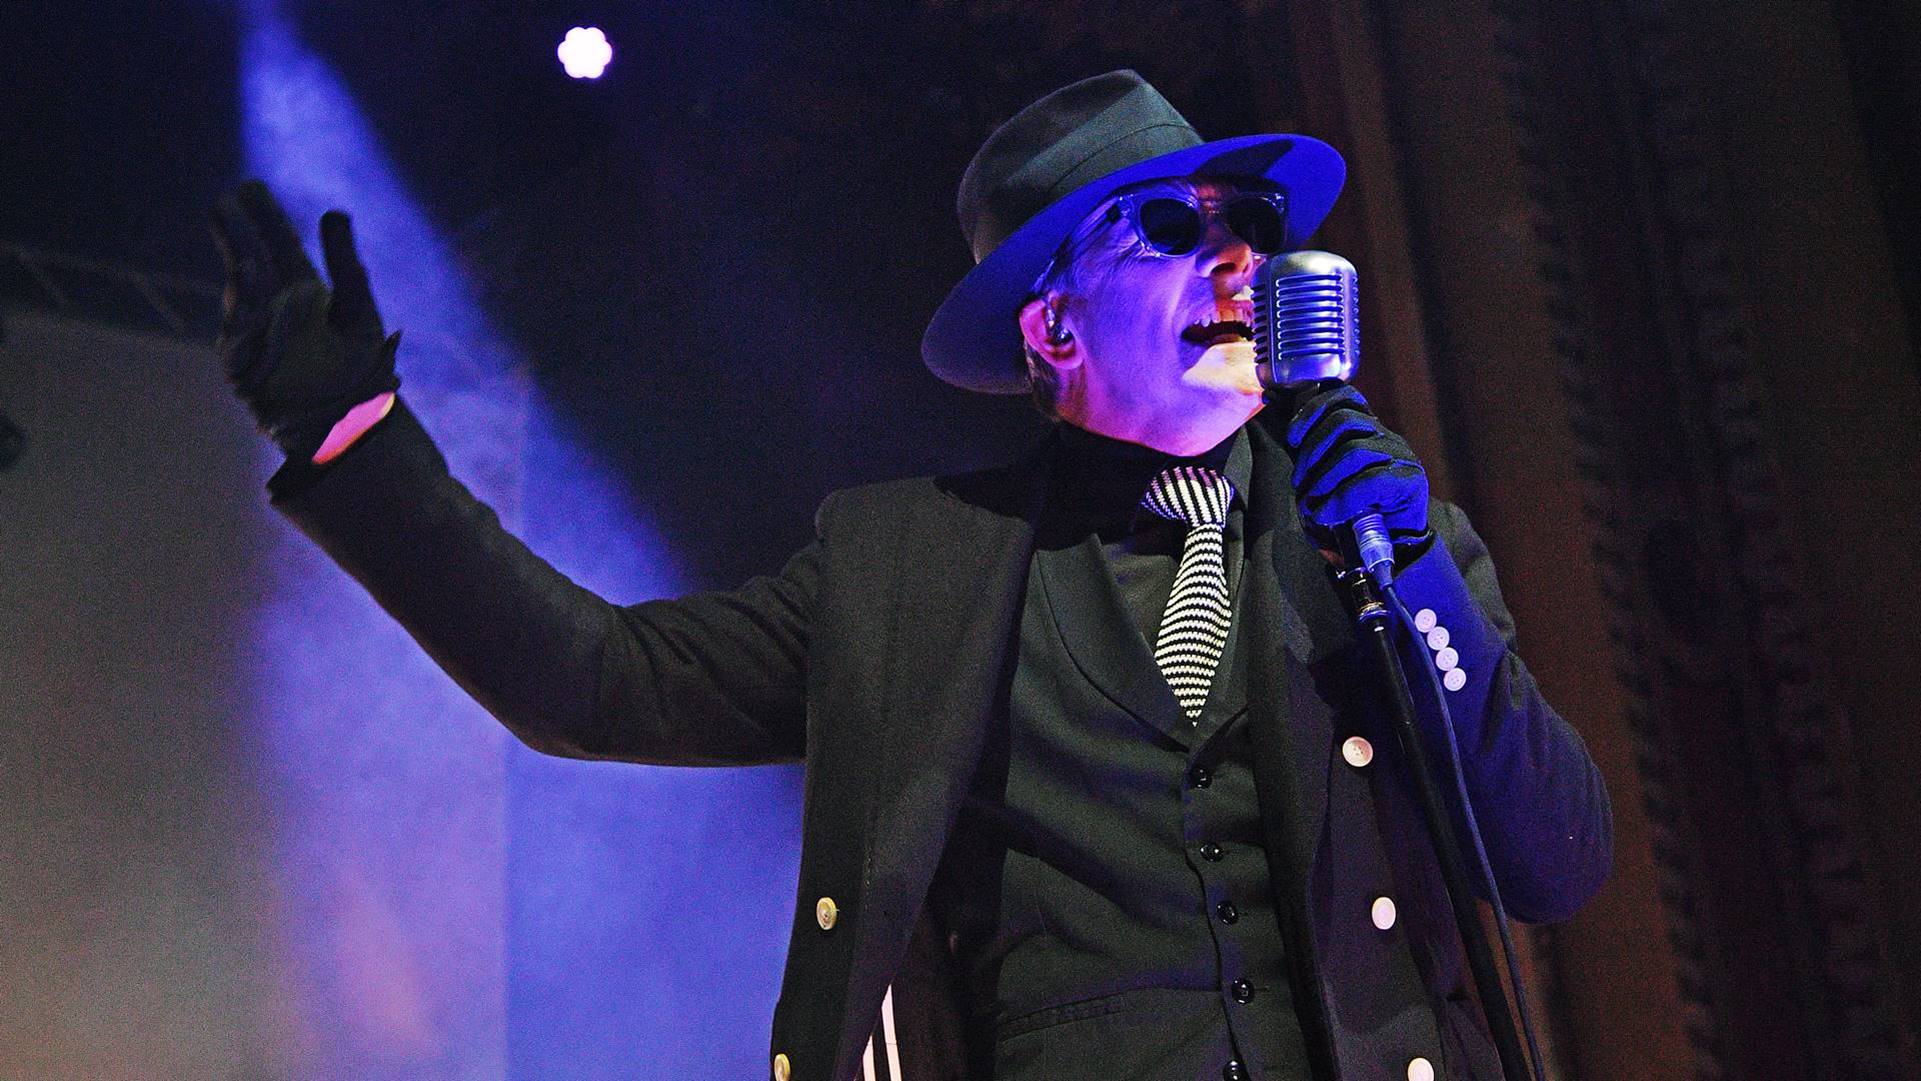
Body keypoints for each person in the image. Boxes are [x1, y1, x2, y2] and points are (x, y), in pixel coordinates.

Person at [211, 70, 1610, 1081]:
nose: (1236, 257)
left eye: (1243, 219)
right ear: (1050, 325)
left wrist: (1414, 570)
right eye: (1172, 231)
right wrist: (357, 449)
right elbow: (601, 682)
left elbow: (1553, 858)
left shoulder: (1369, 536)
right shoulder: (910, 565)